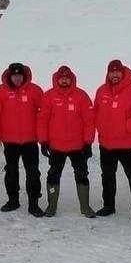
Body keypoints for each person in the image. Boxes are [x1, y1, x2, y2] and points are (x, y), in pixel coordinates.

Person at [93, 59, 131, 222]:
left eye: (118, 71)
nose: (115, 74)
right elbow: (95, 113)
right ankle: (108, 205)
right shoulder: (101, 91)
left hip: (128, 144)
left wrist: (125, 127)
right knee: (107, 176)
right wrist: (101, 127)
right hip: (106, 144)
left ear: (123, 72)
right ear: (108, 73)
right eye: (112, 71)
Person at [37, 65, 96, 218]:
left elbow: (89, 121)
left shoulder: (81, 96)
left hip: (78, 146)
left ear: (71, 79)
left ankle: (85, 207)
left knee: (82, 174)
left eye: (67, 78)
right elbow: (42, 120)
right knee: (53, 175)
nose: (64, 80)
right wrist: (43, 141)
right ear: (57, 79)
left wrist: (88, 143)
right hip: (56, 145)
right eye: (61, 78)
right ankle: (51, 206)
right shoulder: (49, 96)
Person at [0, 62, 45, 217]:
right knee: (11, 171)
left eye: (19, 75)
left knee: (33, 172)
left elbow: (44, 114)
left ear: (24, 75)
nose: (17, 78)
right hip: (10, 140)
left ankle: (34, 203)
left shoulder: (35, 91)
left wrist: (43, 136)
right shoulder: (0, 92)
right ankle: (13, 200)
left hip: (30, 140)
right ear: (10, 76)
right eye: (14, 75)